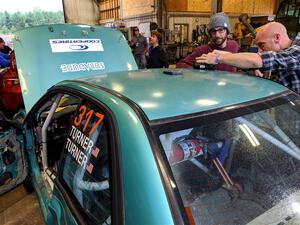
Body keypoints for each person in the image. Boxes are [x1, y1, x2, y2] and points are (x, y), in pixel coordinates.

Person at [197, 22, 300, 94]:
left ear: (277, 38)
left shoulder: (297, 51)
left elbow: (259, 60)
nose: (260, 50)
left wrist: (218, 58)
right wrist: (227, 55)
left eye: (262, 45)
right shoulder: (285, 54)